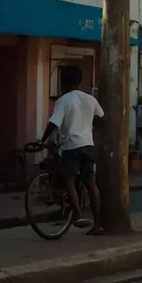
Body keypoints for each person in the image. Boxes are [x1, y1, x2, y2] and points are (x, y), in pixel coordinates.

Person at [40, 65, 104, 234]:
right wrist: (89, 129)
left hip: (71, 145)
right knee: (91, 182)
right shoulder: (90, 99)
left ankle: (78, 214)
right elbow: (101, 118)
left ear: (62, 81)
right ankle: (97, 224)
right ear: (80, 80)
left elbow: (54, 123)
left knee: (68, 179)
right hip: (88, 144)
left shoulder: (63, 100)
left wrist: (42, 140)